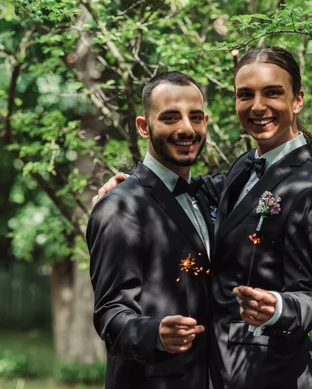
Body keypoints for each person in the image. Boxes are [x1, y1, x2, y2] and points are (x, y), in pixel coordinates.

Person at [94, 47, 312, 389]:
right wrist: (125, 189)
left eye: (272, 92)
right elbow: (170, 192)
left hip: (274, 375)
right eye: (246, 95)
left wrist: (276, 307)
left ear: (297, 100)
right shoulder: (242, 170)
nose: (258, 106)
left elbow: (309, 298)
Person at [87, 71, 224, 389]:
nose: (186, 128)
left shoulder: (211, 194)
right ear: (143, 127)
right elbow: (110, 313)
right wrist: (155, 333)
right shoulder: (119, 207)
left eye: (195, 117)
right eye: (171, 117)